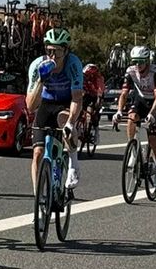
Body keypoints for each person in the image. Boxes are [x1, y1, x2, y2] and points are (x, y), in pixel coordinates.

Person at [26, 27, 84, 194]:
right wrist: (41, 81)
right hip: (46, 104)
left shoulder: (73, 64)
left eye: (58, 51)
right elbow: (31, 106)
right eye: (50, 50)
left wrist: (71, 123)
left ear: (66, 51)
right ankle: (39, 198)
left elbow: (77, 98)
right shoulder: (38, 65)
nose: (53, 56)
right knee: (37, 153)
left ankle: (73, 164)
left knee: (64, 122)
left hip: (66, 102)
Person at [115, 44, 156, 183]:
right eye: (134, 61)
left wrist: (152, 114)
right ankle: (132, 150)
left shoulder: (155, 71)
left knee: (153, 139)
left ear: (147, 61)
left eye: (141, 62)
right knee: (131, 118)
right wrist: (119, 110)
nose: (137, 65)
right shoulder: (130, 71)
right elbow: (124, 93)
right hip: (141, 100)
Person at [81, 61, 105, 142]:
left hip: (97, 95)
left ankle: (96, 132)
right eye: (85, 75)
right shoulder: (83, 77)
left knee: (93, 113)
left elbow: (100, 90)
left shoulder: (99, 78)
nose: (86, 77)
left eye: (87, 75)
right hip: (87, 94)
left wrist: (98, 100)